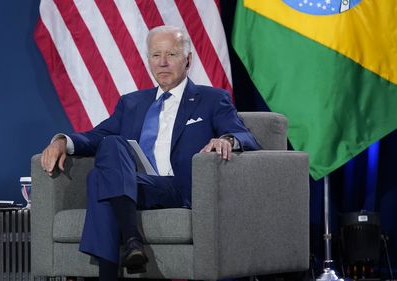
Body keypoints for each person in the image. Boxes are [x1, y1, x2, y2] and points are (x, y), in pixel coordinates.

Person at [40, 25, 260, 280]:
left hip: (179, 187)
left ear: (187, 60)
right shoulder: (131, 103)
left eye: (172, 55)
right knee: (110, 146)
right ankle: (132, 239)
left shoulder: (211, 99)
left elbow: (246, 136)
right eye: (156, 55)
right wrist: (61, 141)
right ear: (149, 61)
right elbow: (97, 136)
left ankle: (108, 273)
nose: (163, 63)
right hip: (136, 183)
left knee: (98, 180)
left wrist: (228, 140)